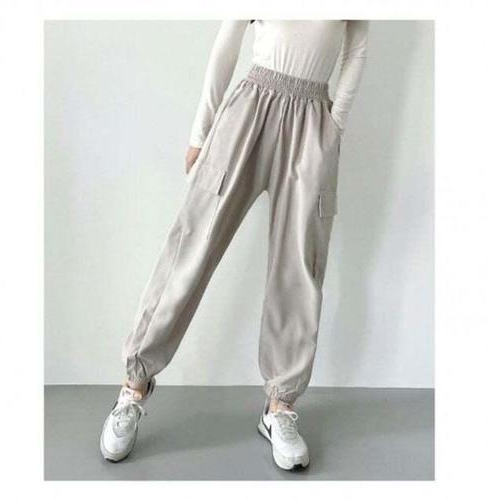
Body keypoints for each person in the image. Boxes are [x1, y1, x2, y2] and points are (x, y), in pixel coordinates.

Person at [100, 19, 369, 471]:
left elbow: (356, 48)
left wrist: (334, 124)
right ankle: (134, 386)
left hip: (312, 123)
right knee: (193, 246)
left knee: (299, 264)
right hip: (250, 110)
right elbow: (227, 43)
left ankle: (279, 405)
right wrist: (200, 132)